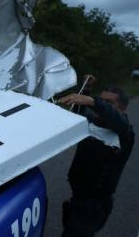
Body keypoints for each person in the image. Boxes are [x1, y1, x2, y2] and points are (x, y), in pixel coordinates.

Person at [58, 75, 135, 237]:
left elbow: (116, 119)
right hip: (78, 196)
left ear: (122, 109)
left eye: (109, 103)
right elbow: (78, 115)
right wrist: (86, 90)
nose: (103, 105)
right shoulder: (93, 122)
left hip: (95, 204)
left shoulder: (124, 133)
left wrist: (92, 101)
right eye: (102, 100)